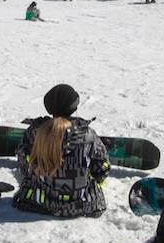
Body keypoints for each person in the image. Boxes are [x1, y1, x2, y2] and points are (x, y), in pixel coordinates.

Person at [12, 84, 109, 218]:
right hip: (84, 204)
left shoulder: (34, 133)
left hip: (38, 202)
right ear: (74, 106)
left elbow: (23, 165)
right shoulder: (88, 135)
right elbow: (102, 169)